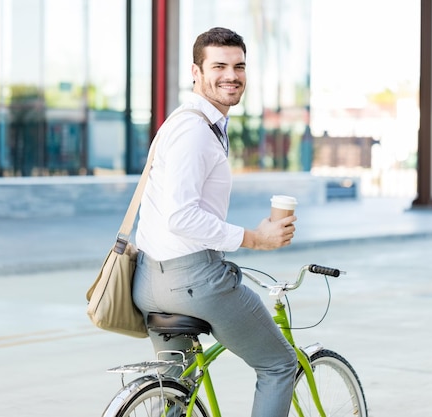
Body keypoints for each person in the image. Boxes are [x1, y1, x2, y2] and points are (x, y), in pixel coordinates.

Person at [132, 27, 298, 417]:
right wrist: (256, 238)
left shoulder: (185, 122)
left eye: (239, 66)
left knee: (178, 391)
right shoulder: (194, 132)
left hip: (149, 281)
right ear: (196, 71)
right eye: (219, 65)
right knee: (279, 365)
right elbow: (181, 216)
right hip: (193, 281)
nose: (232, 75)